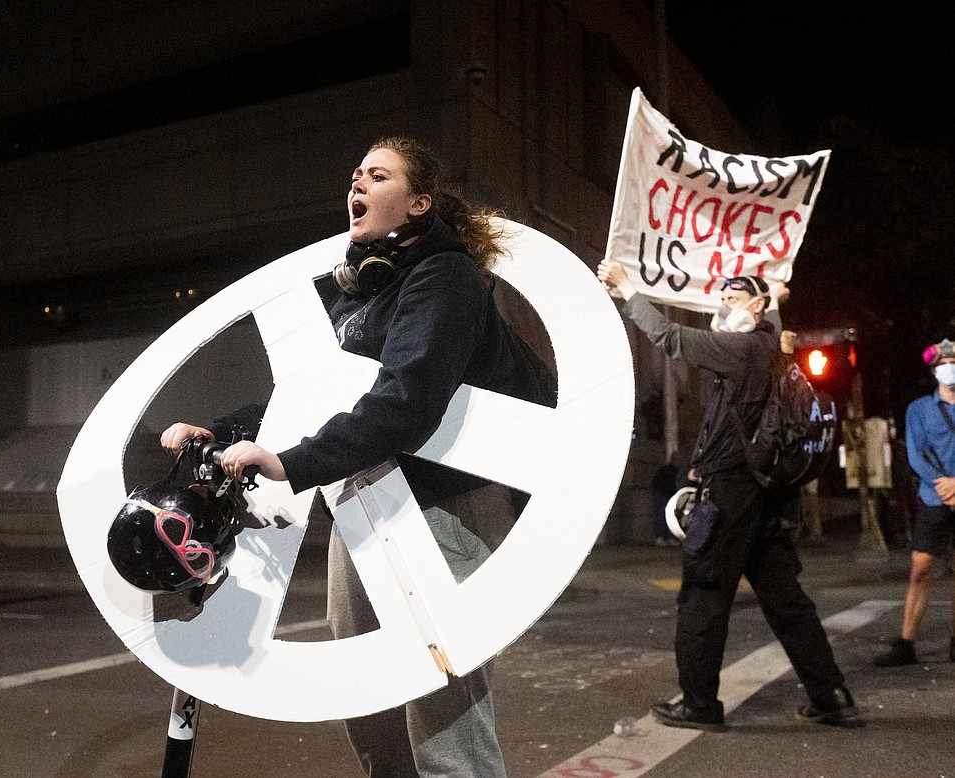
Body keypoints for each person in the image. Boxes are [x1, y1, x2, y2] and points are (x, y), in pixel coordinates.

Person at [159, 137, 554, 777]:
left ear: (419, 202)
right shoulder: (357, 296)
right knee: (365, 689)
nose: (358, 186)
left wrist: (290, 463)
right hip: (363, 495)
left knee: (440, 699)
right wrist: (223, 431)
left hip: (444, 500)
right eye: (354, 176)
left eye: (378, 175)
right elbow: (313, 398)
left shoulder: (444, 277)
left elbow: (407, 401)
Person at [596, 259, 862, 730]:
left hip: (732, 493)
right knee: (786, 601)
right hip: (765, 495)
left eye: (733, 300)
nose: (723, 308)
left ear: (755, 306)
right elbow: (766, 332)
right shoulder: (770, 344)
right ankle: (831, 695)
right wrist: (777, 301)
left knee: (703, 595)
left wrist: (628, 289)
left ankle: (699, 704)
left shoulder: (740, 348)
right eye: (720, 300)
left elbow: (670, 338)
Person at [873, 338, 955, 666]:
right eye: (944, 363)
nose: (950, 368)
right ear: (934, 370)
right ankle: (907, 642)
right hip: (934, 498)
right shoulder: (919, 409)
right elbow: (916, 454)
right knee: (920, 569)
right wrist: (947, 488)